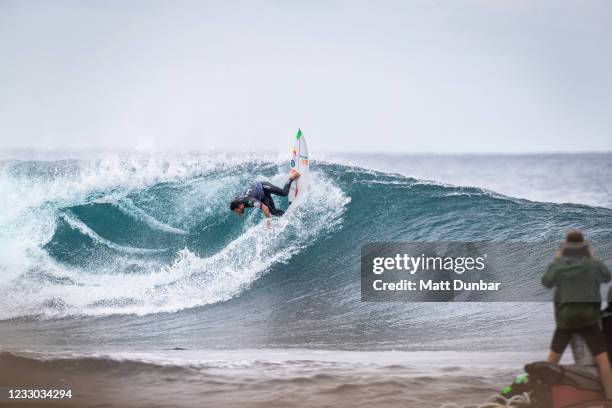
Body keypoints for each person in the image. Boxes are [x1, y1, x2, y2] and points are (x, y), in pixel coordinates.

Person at [542, 229, 612, 399]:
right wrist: (592, 257)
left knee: (552, 361)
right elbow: (607, 277)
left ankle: (542, 396)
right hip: (589, 320)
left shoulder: (559, 266)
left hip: (565, 320)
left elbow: (546, 282)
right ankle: (610, 399)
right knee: (603, 361)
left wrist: (556, 260)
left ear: (566, 245)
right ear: (584, 246)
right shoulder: (592, 264)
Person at [229, 172, 300, 224]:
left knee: (284, 193)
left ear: (240, 205)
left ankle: (291, 178)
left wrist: (269, 222)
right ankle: (289, 215)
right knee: (273, 212)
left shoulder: (250, 202)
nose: (237, 212)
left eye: (236, 211)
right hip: (262, 196)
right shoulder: (239, 201)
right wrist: (240, 212)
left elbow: (264, 208)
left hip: (264, 187)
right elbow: (236, 200)